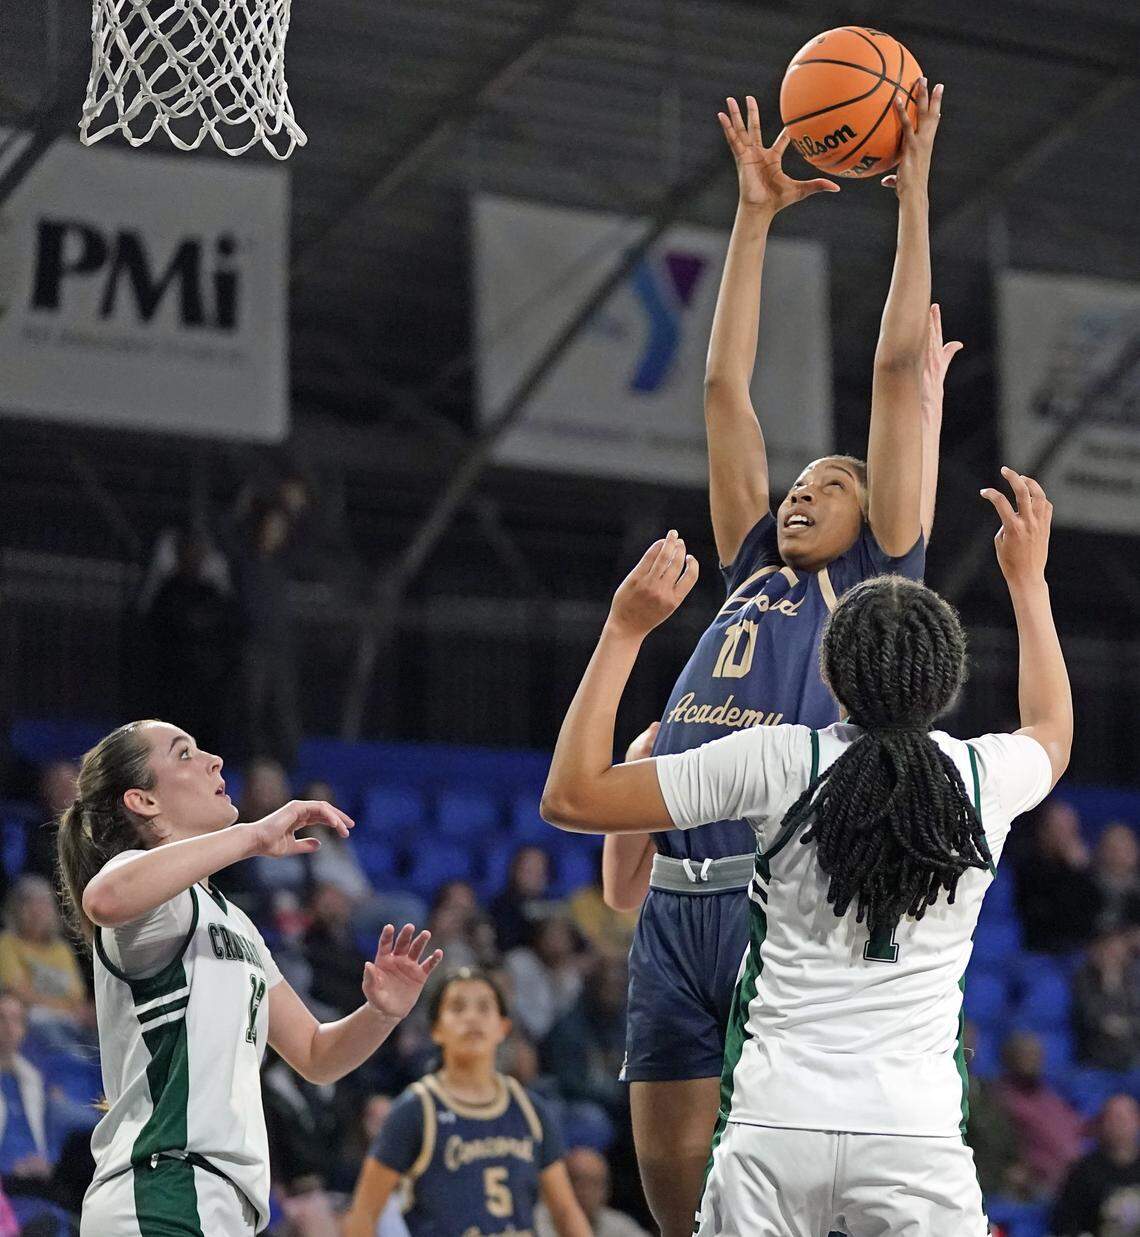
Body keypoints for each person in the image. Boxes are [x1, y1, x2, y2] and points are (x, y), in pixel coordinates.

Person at [596, 83, 958, 1236]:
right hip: (675, 906)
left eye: (833, 483)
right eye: (800, 482)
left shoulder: (879, 580)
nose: (805, 488)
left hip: (771, 901)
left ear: (878, 513)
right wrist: (752, 214)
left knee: (753, 1200)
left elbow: (898, 374)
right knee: (673, 1211)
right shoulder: (751, 555)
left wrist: (914, 203)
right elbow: (722, 389)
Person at [540, 457, 1071, 1234]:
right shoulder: (979, 776)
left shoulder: (781, 758)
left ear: (832, 668)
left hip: (776, 1127)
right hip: (912, 1136)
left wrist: (624, 629)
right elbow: (1051, 728)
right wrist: (1029, 581)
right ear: (945, 677)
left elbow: (571, 795)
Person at [54, 719, 442, 1237]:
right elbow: (103, 898)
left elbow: (316, 1055)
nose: (214, 760)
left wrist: (382, 1013)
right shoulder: (146, 893)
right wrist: (254, 836)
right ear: (143, 801)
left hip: (221, 1202)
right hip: (161, 1192)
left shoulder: (232, 920)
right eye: (185, 754)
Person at [343, 967, 591, 1237]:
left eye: (484, 1008)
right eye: (458, 1008)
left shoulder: (530, 1108)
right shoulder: (415, 1110)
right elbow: (362, 1216)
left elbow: (566, 1212)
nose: (472, 1018)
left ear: (503, 1028)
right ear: (436, 1029)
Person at [0, 875, 92, 1044]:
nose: (37, 912)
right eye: (29, 905)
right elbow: (17, 991)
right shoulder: (7, 943)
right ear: (16, 910)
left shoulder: (61, 949)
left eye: (43, 905)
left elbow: (77, 995)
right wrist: (64, 1010)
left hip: (69, 1019)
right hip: (31, 1019)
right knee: (42, 1021)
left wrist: (73, 1012)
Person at [994, 1031, 1085, 1196]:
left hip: (1073, 1177)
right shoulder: (1002, 1100)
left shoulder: (1052, 1098)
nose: (1032, 1061)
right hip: (1035, 1184)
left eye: (1036, 1055)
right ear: (1010, 1059)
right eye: (1025, 1055)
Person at [1014, 799, 1102, 953]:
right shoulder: (1027, 867)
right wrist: (1073, 873)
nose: (1067, 835)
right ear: (1043, 831)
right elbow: (1048, 917)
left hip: (1083, 948)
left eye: (1071, 828)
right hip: (1041, 950)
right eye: (1059, 828)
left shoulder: (1086, 868)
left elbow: (1094, 912)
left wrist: (1081, 872)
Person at [1051, 1094, 1140, 1237]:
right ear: (1103, 1124)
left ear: (1137, 1121)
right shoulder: (1084, 1171)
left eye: (1124, 1119)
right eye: (1113, 1119)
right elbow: (1066, 1223)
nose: (1119, 1126)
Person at [535, 1146, 652, 1237]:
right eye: (576, 1180)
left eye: (594, 1183)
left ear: (607, 1191)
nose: (584, 1190)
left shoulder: (619, 1225)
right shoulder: (535, 1222)